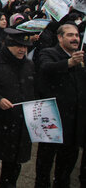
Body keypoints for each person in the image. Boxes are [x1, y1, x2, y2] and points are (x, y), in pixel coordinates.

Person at [0, 28, 35, 188]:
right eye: (19, 46)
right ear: (8, 45)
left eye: (25, 47)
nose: (23, 50)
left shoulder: (29, 65)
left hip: (20, 129)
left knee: (12, 172)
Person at [34, 23, 86, 188]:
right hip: (52, 118)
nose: (75, 39)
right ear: (60, 37)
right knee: (45, 160)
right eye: (70, 35)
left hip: (74, 122)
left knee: (68, 161)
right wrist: (69, 63)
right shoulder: (49, 53)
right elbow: (45, 68)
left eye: (77, 35)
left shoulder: (81, 58)